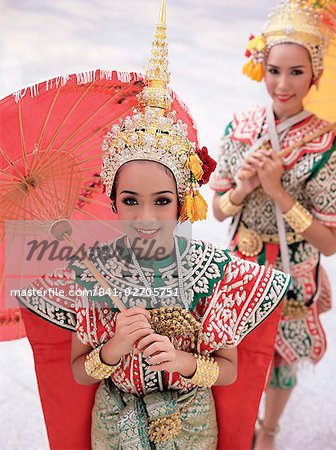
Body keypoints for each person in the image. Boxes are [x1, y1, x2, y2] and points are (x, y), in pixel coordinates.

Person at [16, 1, 291, 448]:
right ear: (112, 201)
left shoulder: (212, 271)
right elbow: (77, 371)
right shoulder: (90, 269)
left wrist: (184, 362)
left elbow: (230, 368)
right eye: (130, 201)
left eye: (161, 201)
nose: (146, 218)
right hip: (115, 422)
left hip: (191, 424)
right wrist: (113, 349)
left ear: (183, 203)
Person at [211, 1, 336, 449]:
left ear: (314, 74)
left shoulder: (327, 148)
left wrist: (278, 193)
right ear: (261, 67)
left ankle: (269, 430)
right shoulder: (240, 128)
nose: (283, 83)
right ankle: (234, 423)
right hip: (240, 261)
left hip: (293, 269)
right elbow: (218, 210)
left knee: (279, 360)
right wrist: (242, 185)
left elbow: (330, 243)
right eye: (275, 69)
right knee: (230, 351)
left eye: (297, 72)